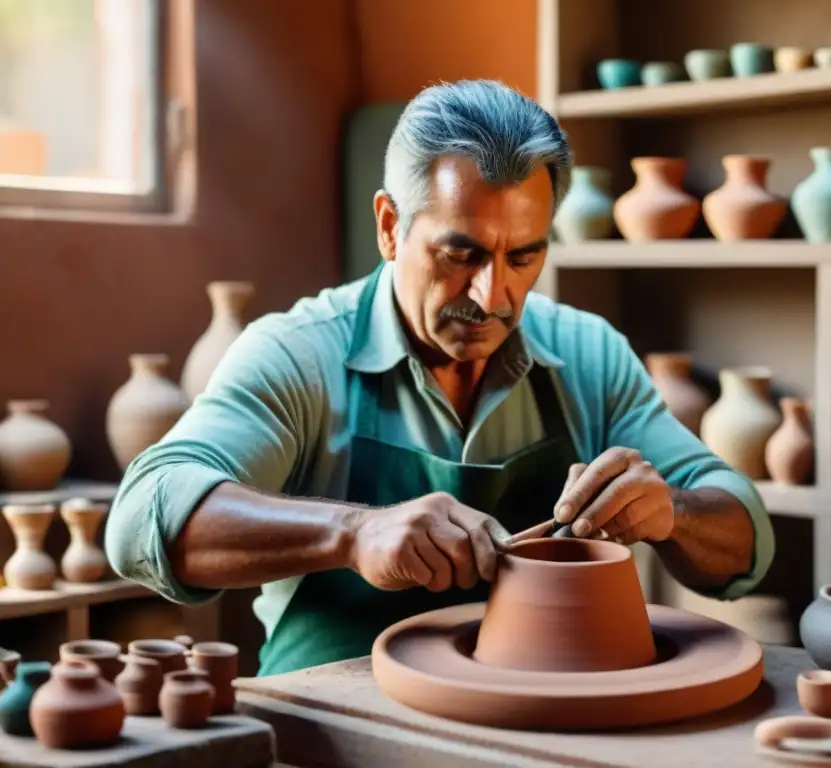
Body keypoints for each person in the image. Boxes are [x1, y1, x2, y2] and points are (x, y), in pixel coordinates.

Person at [105, 79, 775, 677]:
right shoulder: (298, 354)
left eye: (524, 256)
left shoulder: (587, 354)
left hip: (537, 723)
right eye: (463, 253)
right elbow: (141, 519)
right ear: (391, 227)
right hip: (334, 729)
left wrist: (673, 513)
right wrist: (353, 533)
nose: (492, 296)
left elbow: (747, 539)